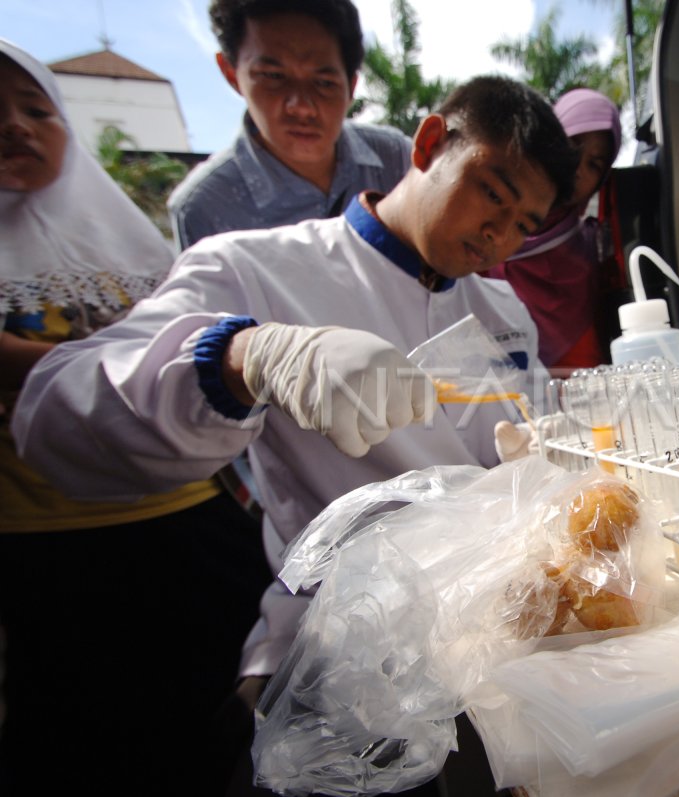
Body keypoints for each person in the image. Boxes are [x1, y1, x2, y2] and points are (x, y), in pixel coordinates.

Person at [13, 74, 577, 795]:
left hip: (489, 632)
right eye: (492, 192)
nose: (499, 236)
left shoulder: (501, 305)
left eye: (525, 223)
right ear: (431, 143)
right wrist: (249, 358)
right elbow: (55, 410)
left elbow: (512, 450)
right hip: (344, 648)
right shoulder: (256, 268)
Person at [0, 39, 271, 793]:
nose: (17, 127)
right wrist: (111, 365)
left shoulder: (125, 245)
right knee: (95, 738)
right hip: (54, 539)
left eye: (34, 109)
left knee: (226, 713)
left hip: (189, 517)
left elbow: (185, 351)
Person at [168, 0, 412, 251]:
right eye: (273, 76)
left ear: (351, 85)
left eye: (324, 82)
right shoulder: (205, 208)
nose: (301, 106)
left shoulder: (398, 159)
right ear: (231, 73)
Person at [484, 87, 622, 371]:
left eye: (594, 164)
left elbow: (587, 371)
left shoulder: (590, 254)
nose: (578, 169)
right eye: (572, 145)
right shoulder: (483, 225)